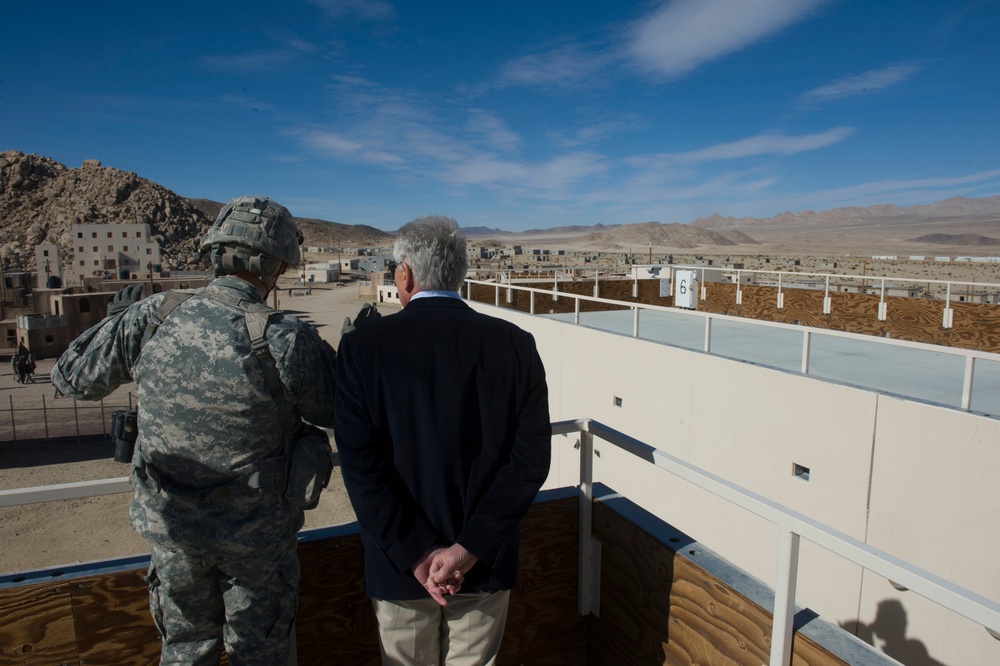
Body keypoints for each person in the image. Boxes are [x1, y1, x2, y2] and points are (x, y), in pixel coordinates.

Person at [51, 196, 337, 665]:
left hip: (175, 533)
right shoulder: (284, 335)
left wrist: (112, 323)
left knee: (185, 652)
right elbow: (336, 411)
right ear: (278, 267)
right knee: (262, 654)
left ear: (215, 252)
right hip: (256, 543)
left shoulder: (153, 317)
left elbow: (71, 378)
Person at [334, 215, 552, 665]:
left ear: (405, 274)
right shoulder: (516, 346)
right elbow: (529, 460)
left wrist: (418, 553)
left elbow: (360, 466)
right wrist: (467, 548)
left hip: (400, 571)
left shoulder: (363, 349)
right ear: (460, 274)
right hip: (483, 566)